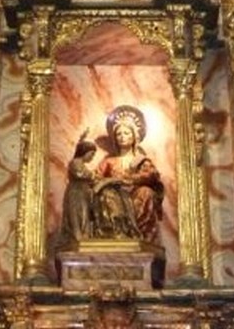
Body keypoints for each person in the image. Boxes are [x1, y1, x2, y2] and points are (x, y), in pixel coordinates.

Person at [93, 105, 163, 242]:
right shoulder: (109, 161)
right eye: (118, 134)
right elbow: (96, 177)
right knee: (107, 194)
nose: (122, 137)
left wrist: (130, 179)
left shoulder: (141, 160)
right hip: (115, 197)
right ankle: (117, 232)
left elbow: (152, 175)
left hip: (135, 195)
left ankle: (141, 236)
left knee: (146, 193)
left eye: (126, 133)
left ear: (134, 136)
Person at [58, 136, 99, 248]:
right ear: (84, 152)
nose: (92, 157)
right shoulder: (75, 162)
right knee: (76, 215)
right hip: (76, 193)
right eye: (91, 154)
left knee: (84, 215)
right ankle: (77, 237)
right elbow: (80, 174)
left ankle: (83, 236)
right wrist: (93, 175)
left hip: (83, 194)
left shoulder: (82, 164)